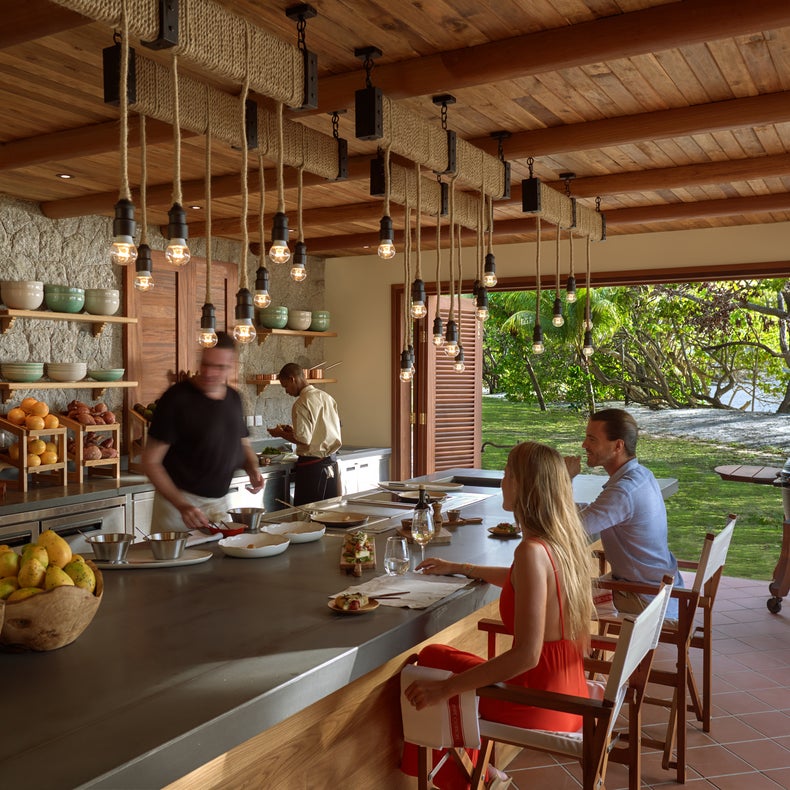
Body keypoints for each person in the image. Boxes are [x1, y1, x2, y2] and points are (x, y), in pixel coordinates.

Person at [402, 442, 593, 790]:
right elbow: (523, 581)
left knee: (428, 665)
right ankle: (481, 774)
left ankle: (470, 780)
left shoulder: (531, 551)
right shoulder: (560, 542)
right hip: (569, 691)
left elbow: (526, 656)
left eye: (507, 475)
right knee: (437, 657)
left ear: (523, 486)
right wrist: (463, 567)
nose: (502, 482)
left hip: (539, 702)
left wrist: (444, 689)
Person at [567, 407, 683, 618]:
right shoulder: (641, 475)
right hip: (658, 589)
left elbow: (571, 530)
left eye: (592, 439)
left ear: (618, 446)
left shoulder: (623, 491)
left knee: (555, 599)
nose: (584, 445)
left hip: (644, 598)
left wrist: (565, 479)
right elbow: (594, 511)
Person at [142, 332, 264, 532]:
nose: (209, 372)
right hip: (179, 507)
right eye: (206, 364)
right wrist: (182, 505)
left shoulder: (234, 399)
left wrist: (252, 468)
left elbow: (243, 445)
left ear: (231, 366)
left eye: (219, 367)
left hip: (219, 505)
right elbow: (151, 462)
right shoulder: (176, 399)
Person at [268, 362, 342, 505]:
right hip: (331, 464)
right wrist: (293, 431)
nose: (286, 391)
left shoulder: (301, 403)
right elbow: (323, 429)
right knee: (330, 512)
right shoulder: (326, 397)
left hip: (312, 468)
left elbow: (303, 440)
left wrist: (280, 433)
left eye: (285, 386)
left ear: (292, 379)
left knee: (307, 514)